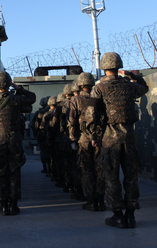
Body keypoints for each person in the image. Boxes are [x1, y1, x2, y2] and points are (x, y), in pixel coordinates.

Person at [91, 52, 148, 229]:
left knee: (111, 178)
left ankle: (117, 216)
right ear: (118, 65)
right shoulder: (129, 86)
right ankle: (131, 215)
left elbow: (91, 114)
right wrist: (133, 76)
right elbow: (144, 88)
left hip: (110, 138)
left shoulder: (99, 88)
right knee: (131, 177)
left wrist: (94, 136)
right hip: (129, 137)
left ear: (103, 66)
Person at [0, 71, 36, 216]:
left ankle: (3, 205)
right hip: (14, 140)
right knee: (14, 172)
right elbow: (32, 98)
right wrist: (18, 88)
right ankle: (14, 205)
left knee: (0, 173)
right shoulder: (16, 100)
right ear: (8, 83)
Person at [68, 72, 106, 211]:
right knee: (100, 169)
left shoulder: (75, 100)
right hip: (99, 137)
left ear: (80, 84)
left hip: (83, 138)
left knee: (86, 170)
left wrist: (72, 138)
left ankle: (91, 201)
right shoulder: (98, 97)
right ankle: (101, 200)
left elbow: (71, 121)